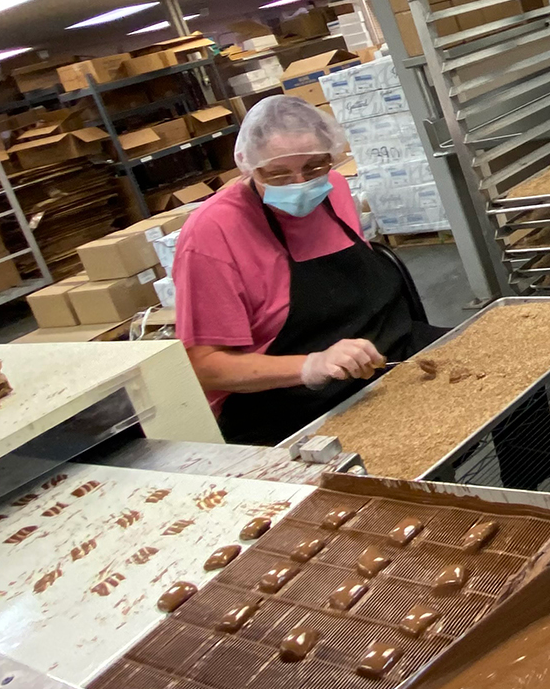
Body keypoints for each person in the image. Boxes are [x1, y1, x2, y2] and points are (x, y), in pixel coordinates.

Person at [173, 96, 443, 445]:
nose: (301, 184)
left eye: (314, 167)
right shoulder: (212, 232)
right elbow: (204, 367)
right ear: (249, 167)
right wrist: (311, 365)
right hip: (286, 402)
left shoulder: (333, 190)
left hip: (386, 359)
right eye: (279, 174)